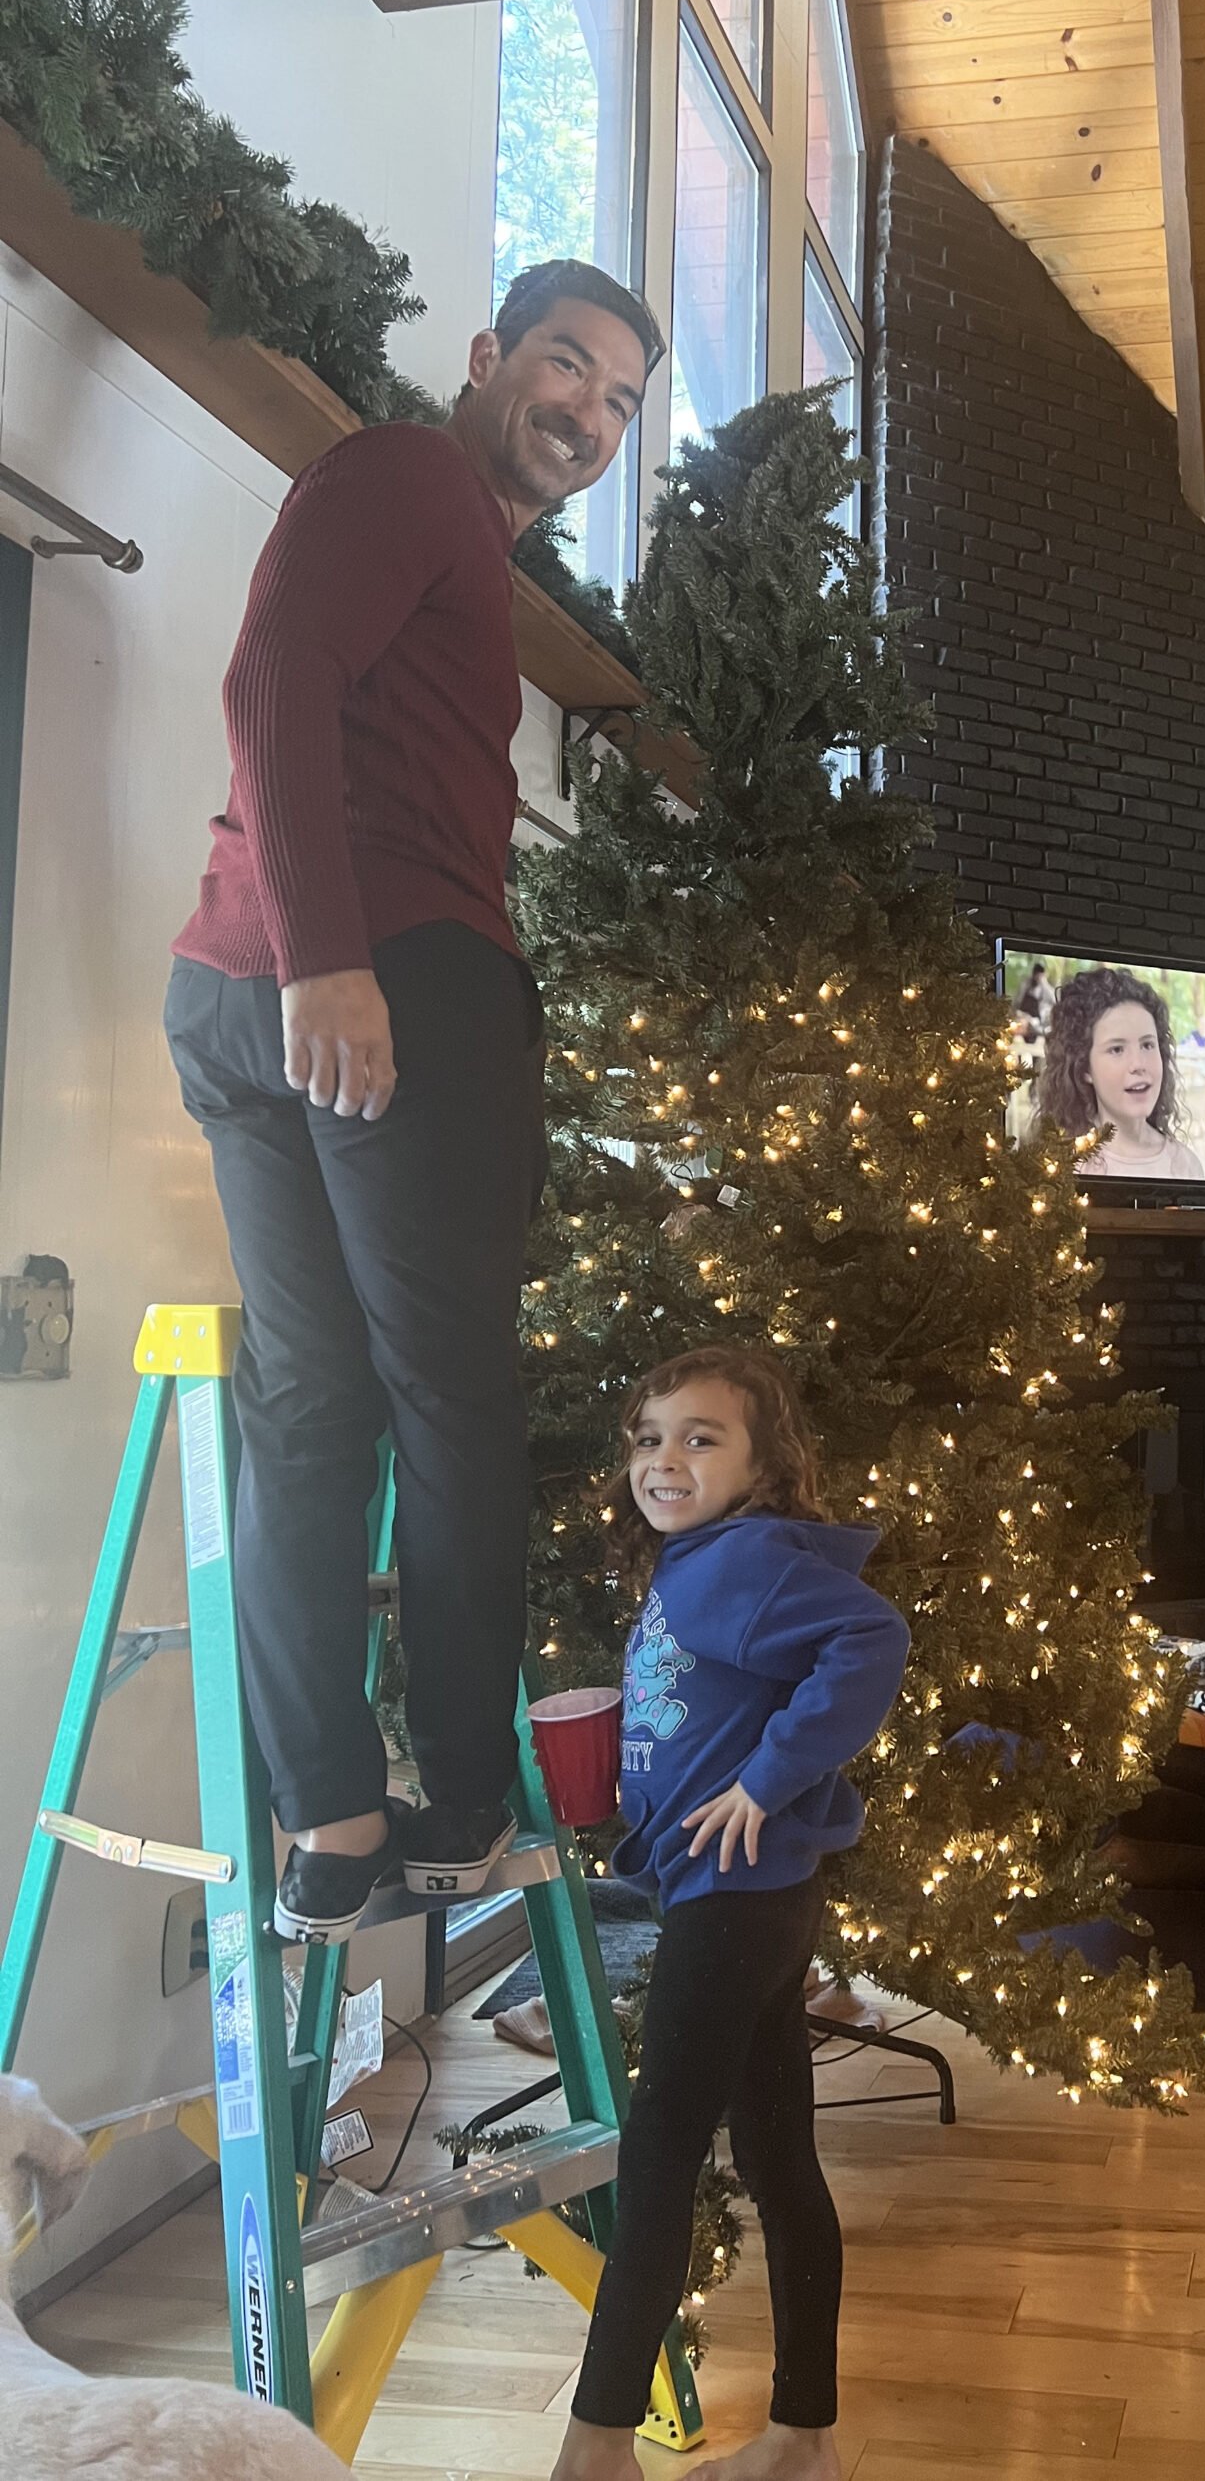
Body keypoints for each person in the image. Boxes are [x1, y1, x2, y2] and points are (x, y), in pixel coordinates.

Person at [163, 259, 666, 1943]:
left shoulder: (435, 517)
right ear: (488, 358)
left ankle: (332, 1821)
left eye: (614, 401)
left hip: (246, 990)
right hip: (368, 979)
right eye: (565, 366)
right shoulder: (409, 474)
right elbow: (267, 686)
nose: (584, 413)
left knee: (315, 1409)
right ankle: (459, 1808)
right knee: (449, 1403)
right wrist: (334, 960)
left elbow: (307, 696)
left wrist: (300, 961)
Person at [552, 1348, 909, 2481]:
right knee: (773, 2154)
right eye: (648, 1435)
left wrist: (766, 1778)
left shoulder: (739, 1559)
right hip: (749, 1898)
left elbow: (872, 1637)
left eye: (700, 1438)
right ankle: (805, 2439)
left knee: (658, 2162)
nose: (665, 1458)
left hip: (733, 1904)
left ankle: (597, 2448)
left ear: (762, 1465)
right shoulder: (697, 1560)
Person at [1033, 966, 1205, 1180]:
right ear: (1084, 1068)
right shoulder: (1065, 1166)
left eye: (1147, 1045)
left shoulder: (1185, 1166)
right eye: (1117, 1049)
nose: (1137, 1064)